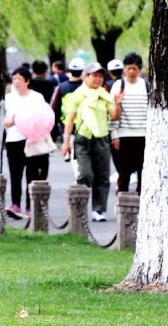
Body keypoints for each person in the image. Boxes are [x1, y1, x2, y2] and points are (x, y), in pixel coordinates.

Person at [61, 63, 118, 221]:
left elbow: (113, 116)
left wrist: (117, 102)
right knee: (85, 174)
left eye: (101, 76)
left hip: (101, 138)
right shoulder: (77, 95)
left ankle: (98, 210)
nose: (98, 79)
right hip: (82, 138)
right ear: (85, 77)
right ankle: (79, 207)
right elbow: (70, 119)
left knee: (102, 176)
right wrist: (66, 142)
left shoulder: (105, 95)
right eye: (94, 75)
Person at [4, 68, 55, 220]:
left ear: (27, 81)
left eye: (19, 78)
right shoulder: (8, 98)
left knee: (31, 175)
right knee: (15, 174)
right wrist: (11, 121)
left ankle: (29, 207)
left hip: (32, 140)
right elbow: (5, 121)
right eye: (14, 79)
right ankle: (15, 204)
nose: (16, 82)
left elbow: (44, 116)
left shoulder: (37, 97)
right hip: (14, 140)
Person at [110, 52, 148, 195]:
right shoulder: (118, 85)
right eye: (129, 68)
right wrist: (114, 135)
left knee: (143, 170)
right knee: (124, 171)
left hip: (142, 134)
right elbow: (112, 114)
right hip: (123, 135)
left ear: (139, 69)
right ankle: (122, 200)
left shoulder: (146, 86)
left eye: (135, 68)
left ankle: (142, 200)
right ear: (124, 69)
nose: (131, 71)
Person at [50, 59, 84, 138]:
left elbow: (54, 107)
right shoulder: (87, 86)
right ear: (82, 70)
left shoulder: (61, 87)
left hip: (66, 126)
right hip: (84, 126)